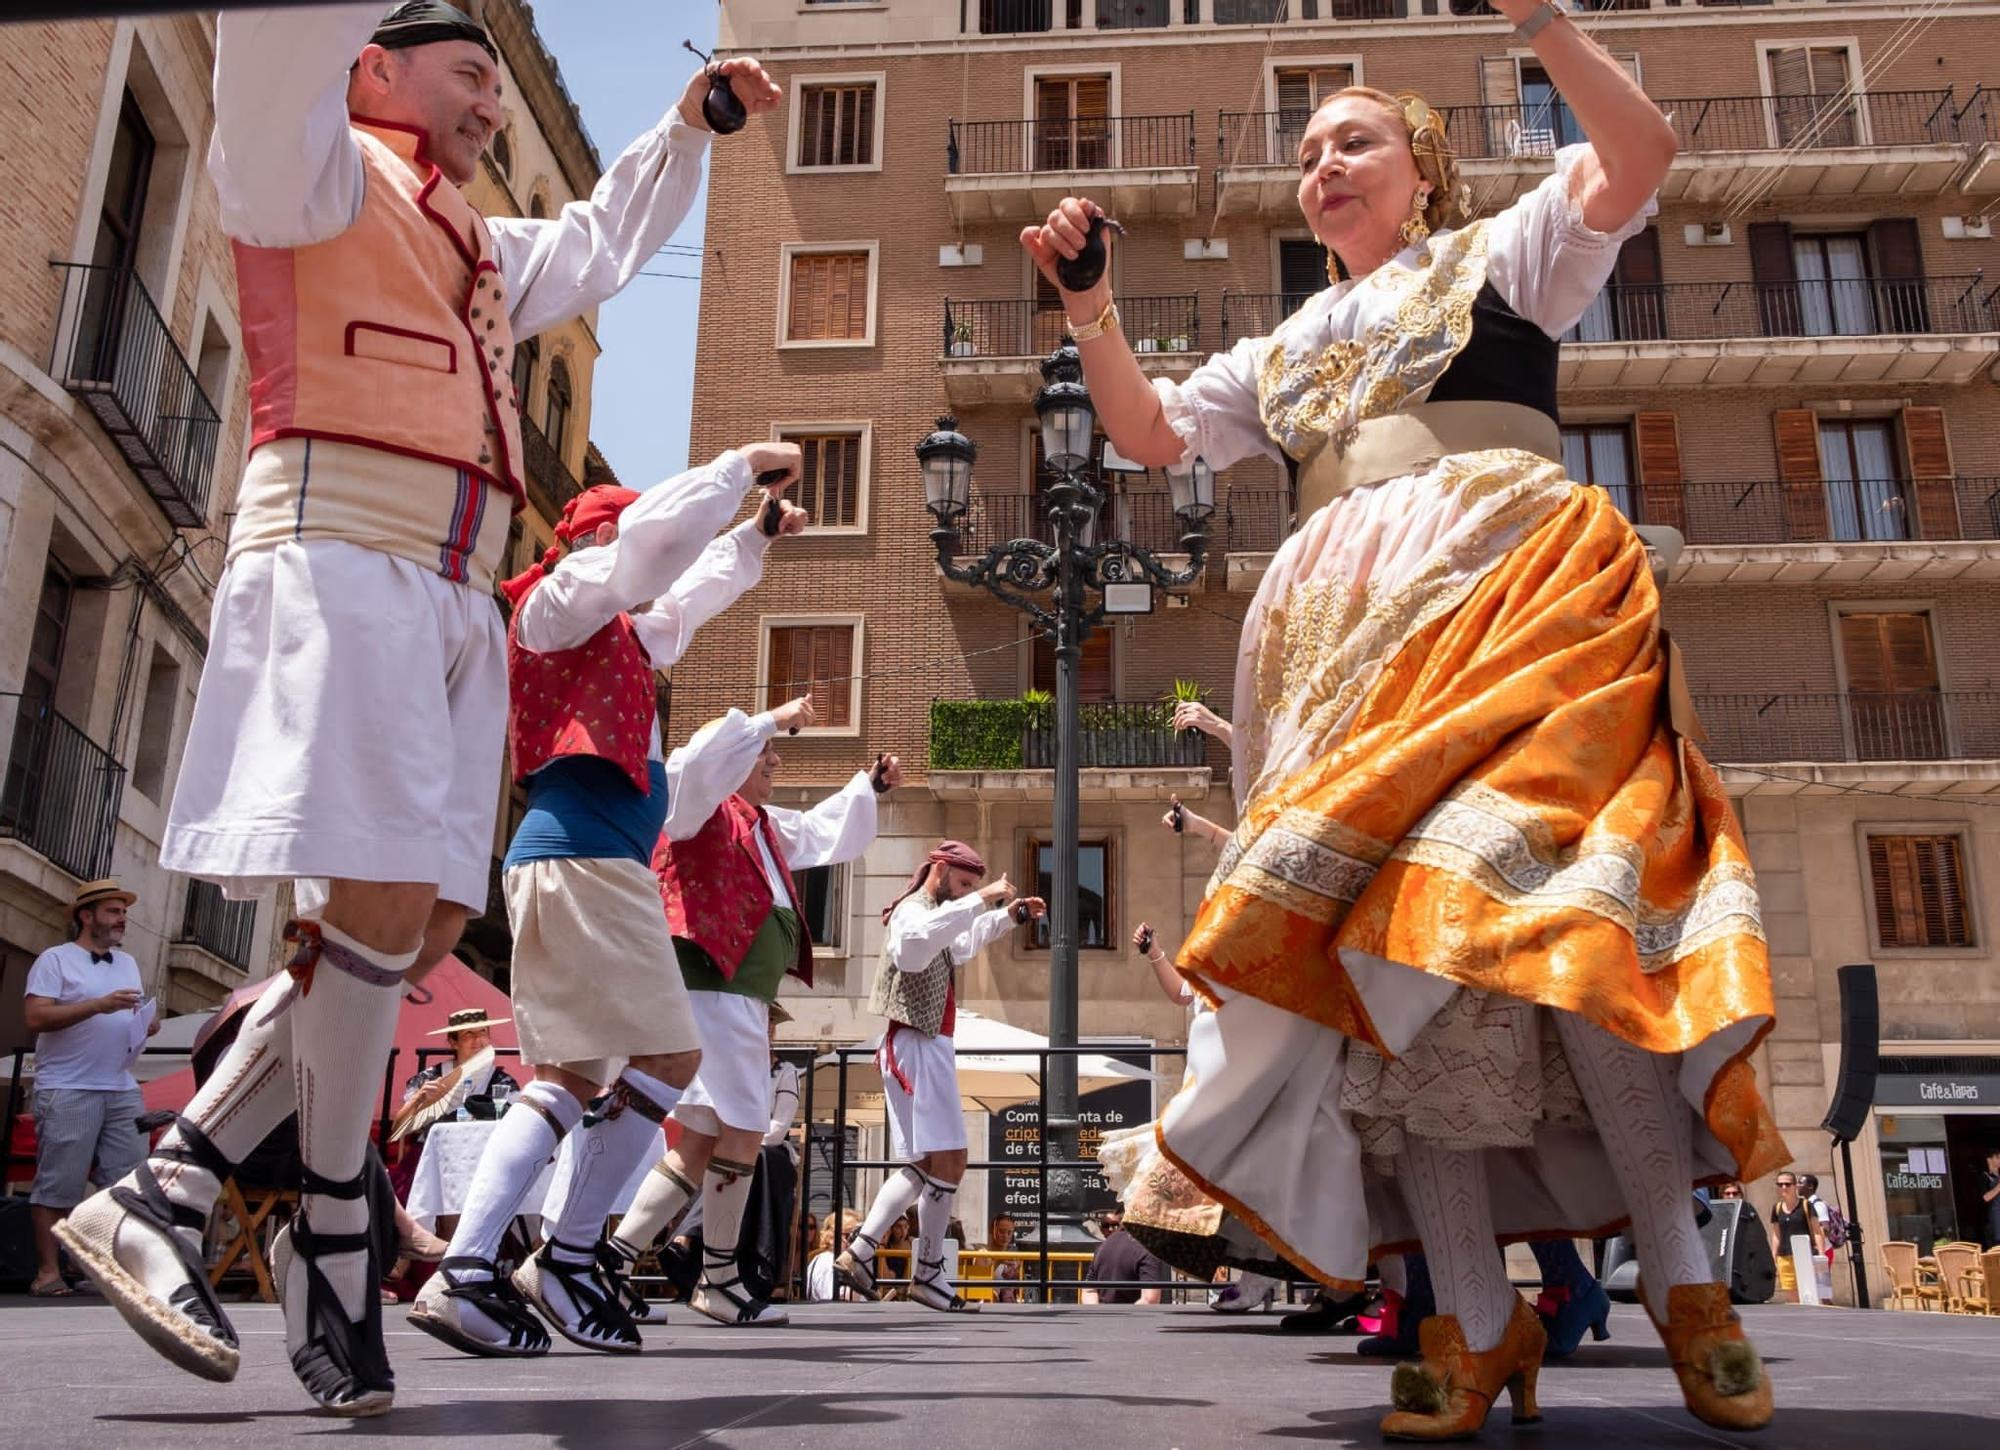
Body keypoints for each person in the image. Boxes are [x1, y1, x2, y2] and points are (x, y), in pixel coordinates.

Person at [1022, 12, 1786, 1439]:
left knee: (1577, 916)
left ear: (1424, 170)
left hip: (1518, 607)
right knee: (1390, 972)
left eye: (1352, 140)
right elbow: (1152, 438)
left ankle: (1688, 1282)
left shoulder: (1507, 254)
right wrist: (1089, 304)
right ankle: (1473, 1315)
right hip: (1348, 657)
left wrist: (1546, 27)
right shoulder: (1289, 344)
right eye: (1306, 153)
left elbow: (1642, 151)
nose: (1322, 165)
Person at [55, 1, 780, 1416]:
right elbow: (269, 45)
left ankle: (178, 1179)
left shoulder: (477, 242)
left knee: (414, 926)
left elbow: (596, 248)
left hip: (446, 590)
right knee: (382, 906)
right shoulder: (302, 165)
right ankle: (326, 1237)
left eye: (502, 86)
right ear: (371, 64)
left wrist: (686, 128)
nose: (492, 105)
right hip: (344, 550)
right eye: (468, 73)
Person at [412, 459, 803, 1358]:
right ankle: (566, 1254)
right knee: (668, 1052)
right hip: (585, 860)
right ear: (595, 540)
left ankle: (474, 1267)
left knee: (571, 1075)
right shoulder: (559, 601)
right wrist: (735, 470)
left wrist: (751, 536)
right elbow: (647, 555)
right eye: (623, 541)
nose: (649, 566)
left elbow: (685, 595)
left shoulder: (620, 627)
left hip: (581, 862)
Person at [594, 717, 888, 1328]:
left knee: (702, 1138)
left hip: (736, 994)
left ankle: (609, 1262)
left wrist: (870, 787)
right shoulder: (699, 804)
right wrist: (770, 720)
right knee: (746, 1128)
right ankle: (719, 1277)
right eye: (766, 756)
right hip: (715, 987)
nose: (776, 764)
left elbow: (817, 833)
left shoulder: (763, 825)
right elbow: (697, 761)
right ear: (732, 761)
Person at [835, 845, 1045, 1312]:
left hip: (916, 1045)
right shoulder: (913, 911)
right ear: (942, 871)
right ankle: (925, 1272)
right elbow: (913, 952)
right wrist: (980, 899)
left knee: (927, 1162)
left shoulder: (935, 914)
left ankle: (863, 1249)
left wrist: (1007, 916)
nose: (969, 895)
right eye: (964, 884)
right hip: (919, 1044)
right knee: (951, 1158)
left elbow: (960, 943)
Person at [23, 879, 157, 1298]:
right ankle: (48, 1271)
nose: (122, 920)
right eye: (114, 912)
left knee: (129, 1183)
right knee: (59, 1182)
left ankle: (106, 1267)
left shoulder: (128, 963)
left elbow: (126, 1016)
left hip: (120, 1085)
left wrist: (145, 1025)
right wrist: (99, 1005)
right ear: (87, 915)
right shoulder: (55, 960)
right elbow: (37, 1018)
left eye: (123, 912)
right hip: (68, 1086)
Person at [393, 1009, 520, 1144]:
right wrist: (418, 1099)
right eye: (468, 1033)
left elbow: (516, 1126)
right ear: (454, 1042)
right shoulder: (431, 1077)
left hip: (483, 1154)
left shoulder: (502, 1083)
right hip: (436, 1152)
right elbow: (398, 1128)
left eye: (483, 1032)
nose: (478, 1039)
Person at [1081, 1207, 1168, 1306]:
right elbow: (1150, 1300)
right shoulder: (1147, 1248)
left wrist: (1099, 1314)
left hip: (1103, 1317)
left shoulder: (1103, 1246)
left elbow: (1089, 1290)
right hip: (1135, 1319)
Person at [1767, 1172, 1823, 1300]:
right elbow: (1776, 1234)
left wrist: (1821, 1254)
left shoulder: (1805, 1205)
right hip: (1785, 1257)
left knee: (1810, 1296)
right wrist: (1773, 1257)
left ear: (1795, 1186)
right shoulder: (1777, 1208)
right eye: (1780, 1184)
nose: (1784, 1187)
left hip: (1806, 1255)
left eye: (1787, 1184)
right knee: (1792, 1298)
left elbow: (1817, 1231)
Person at [805, 1212, 858, 1302]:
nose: (855, 1241)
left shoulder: (837, 1260)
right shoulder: (827, 1261)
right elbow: (835, 1299)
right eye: (849, 1235)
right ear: (831, 1237)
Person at [1981, 1150, 2000, 1251]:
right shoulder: (1984, 1177)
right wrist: (1998, 1188)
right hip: (1994, 1220)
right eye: (1998, 1158)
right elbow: (1985, 1198)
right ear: (1989, 1159)